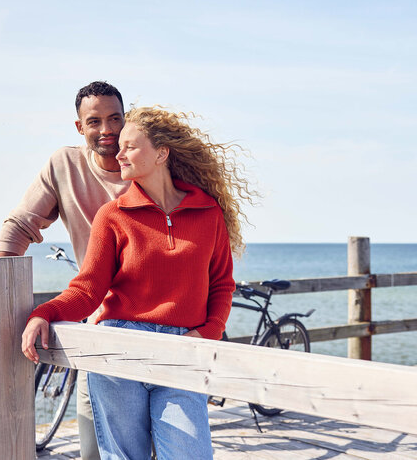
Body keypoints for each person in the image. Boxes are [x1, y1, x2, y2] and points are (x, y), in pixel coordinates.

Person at [20, 105, 253, 460]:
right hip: (118, 349)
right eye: (120, 146)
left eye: (130, 145)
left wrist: (208, 334)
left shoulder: (208, 212)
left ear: (161, 153)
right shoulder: (112, 216)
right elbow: (88, 289)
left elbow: (221, 284)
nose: (118, 152)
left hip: (182, 351)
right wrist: (44, 313)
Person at [0, 80, 127, 460]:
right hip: (100, 321)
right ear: (79, 127)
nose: (107, 130)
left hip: (156, 322)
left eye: (115, 118)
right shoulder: (65, 165)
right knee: (93, 449)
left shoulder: (147, 164)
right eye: (95, 121)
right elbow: (20, 225)